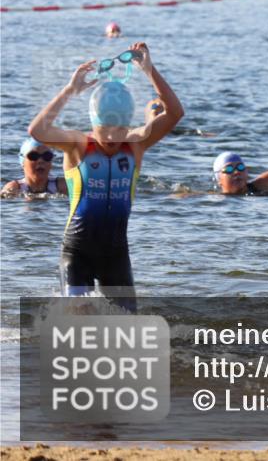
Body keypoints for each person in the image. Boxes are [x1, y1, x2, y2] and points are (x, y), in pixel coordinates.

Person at [27, 43, 184, 312]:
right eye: (105, 129)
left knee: (127, 330)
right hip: (77, 253)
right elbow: (38, 131)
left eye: (120, 128)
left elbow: (175, 113)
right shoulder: (77, 145)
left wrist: (149, 70)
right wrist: (69, 91)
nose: (112, 137)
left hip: (116, 254)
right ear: (93, 122)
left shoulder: (135, 144)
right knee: (80, 325)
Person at [1, 138, 68, 198]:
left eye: (47, 156)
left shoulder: (62, 186)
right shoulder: (14, 188)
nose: (40, 161)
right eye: (33, 156)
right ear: (22, 162)